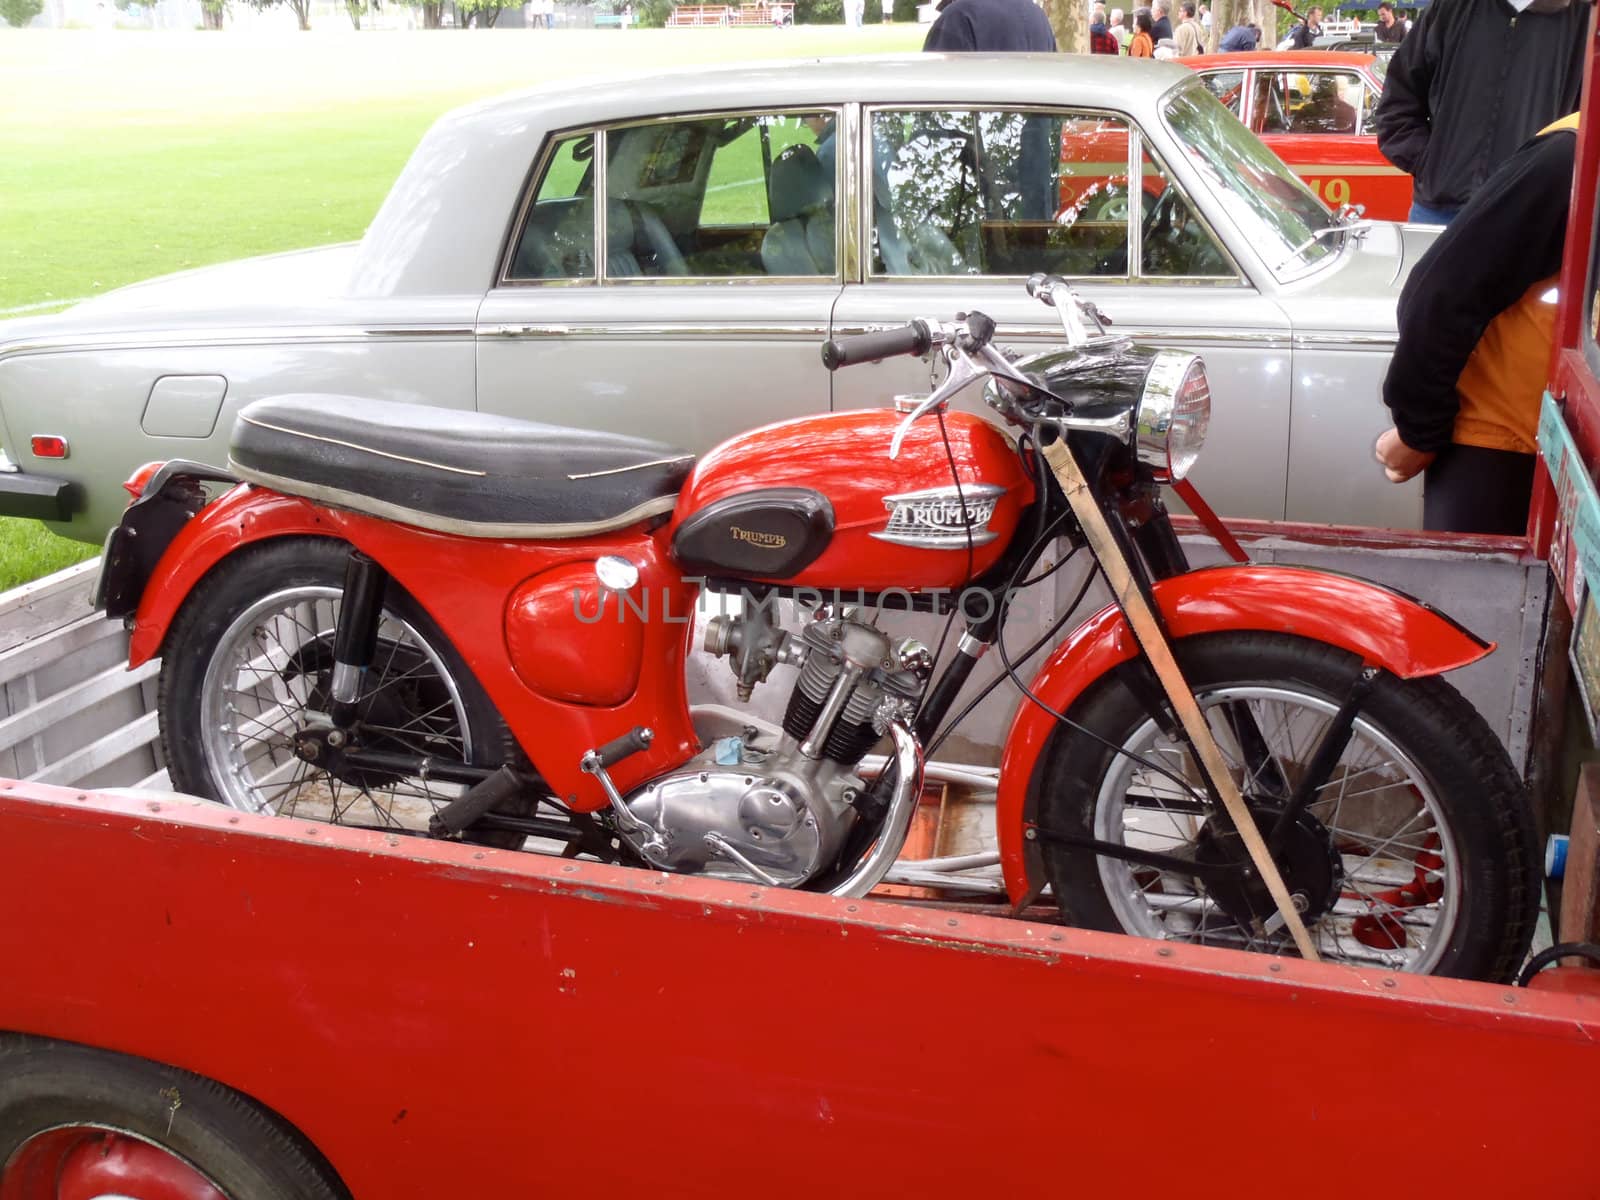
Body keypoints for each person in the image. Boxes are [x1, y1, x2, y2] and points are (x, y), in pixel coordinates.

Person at [1374, 117, 1578, 534]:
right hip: (1503, 452)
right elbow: (1440, 291)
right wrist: (1419, 434)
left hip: (1564, 454)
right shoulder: (1569, 160)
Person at [1374, 0, 1584, 226]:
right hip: (1440, 212)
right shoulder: (1452, 7)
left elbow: (1586, 129)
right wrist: (1432, 166)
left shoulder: (1585, 20)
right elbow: (1398, 100)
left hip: (1529, 221)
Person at [922, 0, 1055, 50]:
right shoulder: (1037, 14)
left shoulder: (958, 17)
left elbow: (933, 86)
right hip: (1033, 111)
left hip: (982, 110)